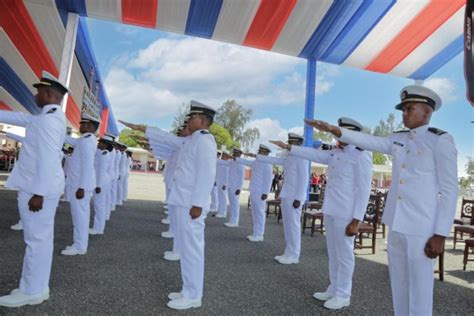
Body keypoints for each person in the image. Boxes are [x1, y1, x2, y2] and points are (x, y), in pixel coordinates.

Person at [305, 85, 458, 316]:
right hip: (396, 222)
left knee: (420, 287)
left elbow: (449, 190)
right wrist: (336, 131)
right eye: (403, 109)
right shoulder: (397, 138)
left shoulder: (440, 140)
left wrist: (440, 233)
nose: (404, 114)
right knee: (398, 283)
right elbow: (371, 141)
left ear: (426, 112)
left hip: (422, 227)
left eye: (409, 109)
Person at [271, 117, 373, 310]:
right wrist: (289, 147)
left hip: (347, 214)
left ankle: (344, 294)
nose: (336, 136)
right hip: (331, 210)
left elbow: (364, 190)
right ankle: (333, 287)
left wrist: (357, 220)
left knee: (344, 255)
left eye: (339, 133)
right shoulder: (334, 153)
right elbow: (312, 155)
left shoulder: (361, 155)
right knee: (333, 253)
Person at [0, 71, 67, 307]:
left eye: (38, 91)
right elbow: (21, 118)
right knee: (40, 240)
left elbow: (49, 159)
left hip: (38, 190)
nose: (34, 95)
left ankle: (31, 291)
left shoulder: (49, 121)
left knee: (36, 241)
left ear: (49, 94)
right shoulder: (48, 118)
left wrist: (38, 193)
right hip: (39, 187)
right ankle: (36, 286)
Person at [164, 101, 217, 310]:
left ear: (203, 121)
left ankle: (194, 295)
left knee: (193, 250)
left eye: (192, 117)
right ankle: (187, 289)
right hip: (182, 201)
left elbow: (206, 174)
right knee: (186, 249)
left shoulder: (205, 141)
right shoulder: (192, 140)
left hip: (191, 205)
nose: (188, 120)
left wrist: (197, 204)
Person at [257, 133, 309, 264]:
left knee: (293, 226)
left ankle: (294, 255)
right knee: (287, 226)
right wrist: (257, 156)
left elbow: (304, 179)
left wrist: (299, 198)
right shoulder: (289, 157)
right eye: (288, 143)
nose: (289, 145)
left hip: (294, 198)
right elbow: (273, 160)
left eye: (291, 143)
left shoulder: (301, 158)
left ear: (297, 144)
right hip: (287, 195)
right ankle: (288, 252)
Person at [61, 114, 99, 256]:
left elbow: (88, 165)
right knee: (79, 216)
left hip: (80, 186)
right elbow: (70, 140)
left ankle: (79, 246)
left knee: (80, 217)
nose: (79, 125)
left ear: (89, 126)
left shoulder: (88, 142)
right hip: (78, 184)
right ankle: (79, 244)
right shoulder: (84, 140)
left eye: (82, 124)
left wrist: (82, 187)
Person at [236, 145, 273, 242]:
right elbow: (246, 162)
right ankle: (256, 233)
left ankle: (260, 234)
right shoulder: (257, 162)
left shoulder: (267, 163)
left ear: (266, 153)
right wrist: (236, 158)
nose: (259, 153)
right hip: (254, 190)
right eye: (259, 151)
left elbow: (268, 179)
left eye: (261, 152)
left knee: (260, 213)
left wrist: (265, 192)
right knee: (255, 212)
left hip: (260, 191)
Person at [90, 135, 114, 235]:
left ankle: (98, 228)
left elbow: (102, 171)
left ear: (105, 145)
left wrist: (98, 185)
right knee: (100, 205)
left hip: (101, 182)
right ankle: (99, 227)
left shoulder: (104, 154)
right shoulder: (101, 153)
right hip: (102, 181)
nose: (98, 144)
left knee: (99, 205)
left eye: (100, 142)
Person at [224, 148, 245, 227]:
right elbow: (223, 162)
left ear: (240, 154)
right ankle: (232, 220)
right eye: (234, 152)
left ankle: (235, 221)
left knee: (235, 204)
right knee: (232, 204)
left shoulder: (240, 163)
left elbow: (241, 177)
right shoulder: (232, 162)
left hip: (235, 187)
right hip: (230, 185)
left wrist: (239, 188)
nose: (234, 154)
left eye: (236, 153)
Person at [215, 152, 230, 218]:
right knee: (220, 198)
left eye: (224, 155)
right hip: (219, 182)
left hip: (223, 184)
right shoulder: (221, 163)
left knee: (223, 198)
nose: (222, 156)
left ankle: (223, 212)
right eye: (222, 155)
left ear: (227, 157)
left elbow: (227, 175)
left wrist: (225, 184)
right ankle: (220, 211)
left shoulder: (227, 164)